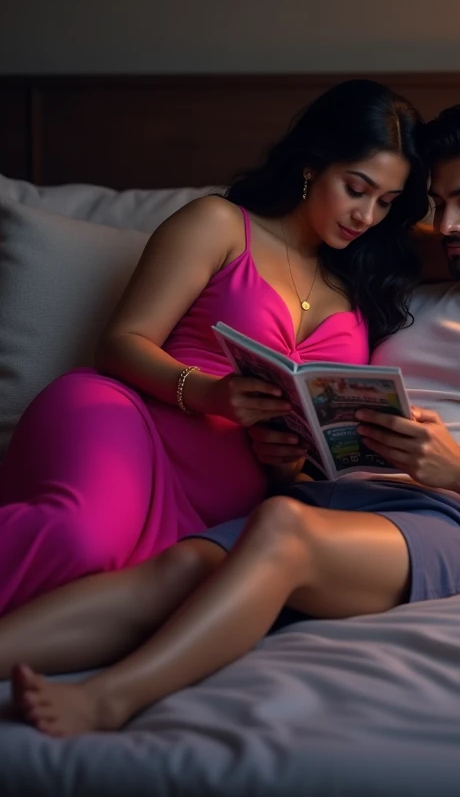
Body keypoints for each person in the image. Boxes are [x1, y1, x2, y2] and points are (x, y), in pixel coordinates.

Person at [5, 93, 460, 737]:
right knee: (179, 571)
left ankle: (109, 699)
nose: (445, 225)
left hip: (451, 517)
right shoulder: (413, 287)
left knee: (280, 528)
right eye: (436, 203)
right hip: (329, 492)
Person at [0, 79, 429, 615]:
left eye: (386, 202)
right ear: (311, 166)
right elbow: (119, 343)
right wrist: (211, 396)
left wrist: (286, 463)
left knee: (137, 599)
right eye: (356, 188)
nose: (366, 216)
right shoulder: (220, 224)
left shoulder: (361, 288)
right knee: (83, 541)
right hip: (129, 424)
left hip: (226, 505)